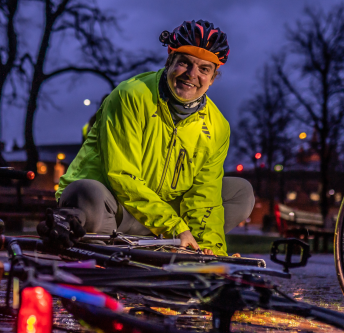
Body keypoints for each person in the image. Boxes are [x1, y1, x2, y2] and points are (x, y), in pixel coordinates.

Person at [55, 20, 254, 256]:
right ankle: (108, 254)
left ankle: (183, 253)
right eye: (184, 63)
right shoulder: (131, 95)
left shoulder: (218, 126)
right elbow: (122, 176)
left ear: (212, 79)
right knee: (87, 191)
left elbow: (205, 196)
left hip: (162, 221)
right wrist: (175, 227)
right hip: (113, 208)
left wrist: (210, 251)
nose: (192, 75)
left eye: (204, 69)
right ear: (169, 62)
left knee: (241, 192)